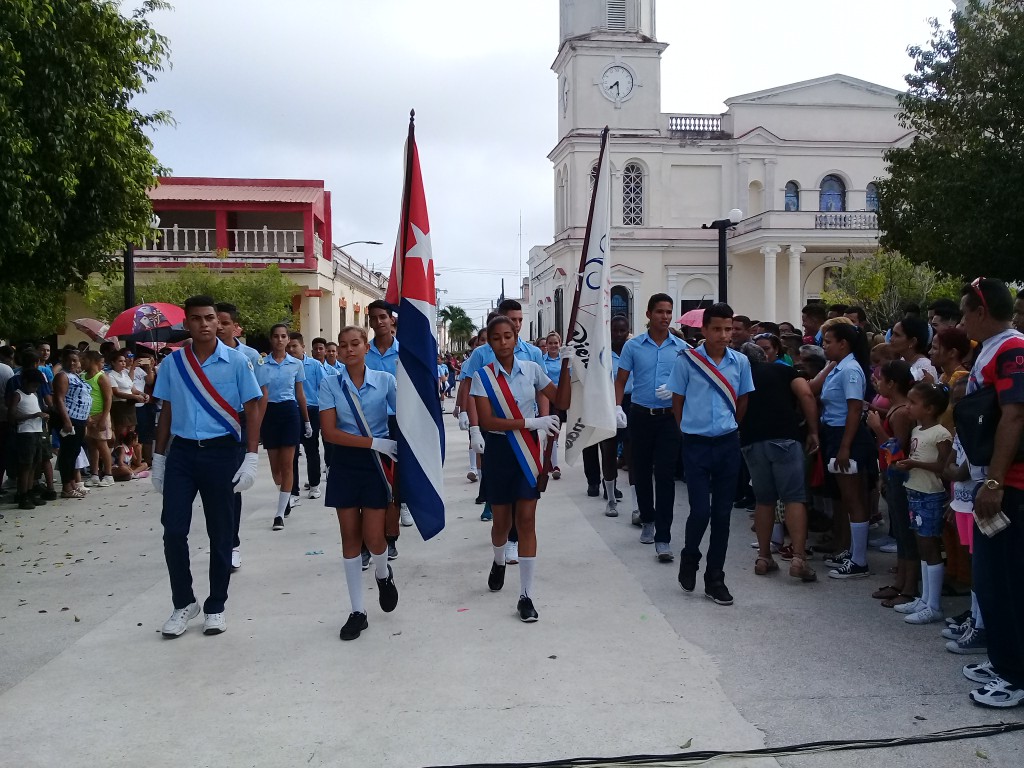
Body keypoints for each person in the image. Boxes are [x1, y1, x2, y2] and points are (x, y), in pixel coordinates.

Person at [151, 295, 262, 638]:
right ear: (187, 323)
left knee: (221, 533)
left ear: (219, 321)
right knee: (173, 530)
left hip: (222, 452)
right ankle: (183, 602)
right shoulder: (173, 364)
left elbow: (253, 407)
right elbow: (166, 412)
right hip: (182, 453)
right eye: (196, 318)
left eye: (210, 317)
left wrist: (252, 456)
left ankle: (216, 605)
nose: (203, 323)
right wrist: (158, 458)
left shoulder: (237, 362)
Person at [471, 315, 571, 623]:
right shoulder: (482, 376)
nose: (502, 342)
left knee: (526, 520)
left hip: (527, 450)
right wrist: (531, 422)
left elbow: (562, 400)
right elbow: (487, 422)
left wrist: (567, 367)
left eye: (508, 336)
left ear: (516, 337)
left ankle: (526, 595)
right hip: (501, 450)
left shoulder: (533, 369)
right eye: (496, 338)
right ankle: (499, 560)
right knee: (501, 522)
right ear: (489, 343)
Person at [956, 277, 1024, 708]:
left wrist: (996, 481)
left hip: (1009, 487)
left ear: (982, 312)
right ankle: (1003, 660)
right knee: (991, 581)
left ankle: (1016, 676)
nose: (961, 322)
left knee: (1010, 582)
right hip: (989, 481)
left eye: (965, 313)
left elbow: (1014, 417)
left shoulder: (1012, 349)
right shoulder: (989, 350)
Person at [668, 303, 754, 603]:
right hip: (695, 444)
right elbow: (677, 400)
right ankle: (690, 555)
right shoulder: (687, 361)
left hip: (727, 443)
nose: (723, 335)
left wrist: (731, 427)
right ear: (704, 330)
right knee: (700, 511)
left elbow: (743, 400)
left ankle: (715, 578)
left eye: (728, 329)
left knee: (722, 514)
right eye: (716, 329)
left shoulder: (740, 362)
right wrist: (686, 430)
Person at [319, 325, 400, 641]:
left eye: (355, 344)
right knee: (350, 537)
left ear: (367, 347)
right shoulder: (330, 384)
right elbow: (331, 432)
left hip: (379, 465)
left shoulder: (385, 380)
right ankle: (357, 611)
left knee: (374, 536)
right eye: (343, 345)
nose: (349, 349)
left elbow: (405, 415)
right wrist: (373, 444)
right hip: (347, 461)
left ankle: (382, 572)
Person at [461, 301, 546, 550]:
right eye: (513, 319)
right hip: (496, 430)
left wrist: (542, 421)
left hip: (525, 433)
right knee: (500, 501)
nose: (518, 325)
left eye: (520, 320)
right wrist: (472, 425)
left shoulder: (533, 354)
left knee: (525, 504)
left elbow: (543, 391)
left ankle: (514, 542)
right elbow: (469, 384)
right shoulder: (483, 353)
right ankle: (500, 532)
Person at [738, 342, 819, 582]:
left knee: (764, 501)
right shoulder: (782, 370)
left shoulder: (739, 376)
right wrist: (813, 430)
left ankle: (764, 557)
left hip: (751, 441)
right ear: (764, 356)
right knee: (794, 498)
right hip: (784, 438)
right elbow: (805, 393)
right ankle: (798, 558)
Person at [615, 294, 689, 553]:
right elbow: (621, 380)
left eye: (669, 312)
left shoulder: (682, 348)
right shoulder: (633, 347)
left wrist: (677, 390)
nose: (665, 317)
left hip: (669, 418)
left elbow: (691, 381)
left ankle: (664, 536)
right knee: (642, 470)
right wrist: (616, 407)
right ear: (648, 314)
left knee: (666, 475)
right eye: (660, 312)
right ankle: (648, 519)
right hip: (640, 414)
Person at [810, 323, 875, 579]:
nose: (824, 345)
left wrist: (845, 447)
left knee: (853, 498)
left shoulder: (850, 370)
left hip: (846, 436)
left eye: (828, 341)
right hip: (834, 433)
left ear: (843, 344)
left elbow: (854, 409)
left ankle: (859, 560)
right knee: (845, 497)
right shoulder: (838, 366)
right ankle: (851, 550)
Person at [892, 383, 953, 624]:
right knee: (921, 545)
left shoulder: (940, 434)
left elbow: (944, 467)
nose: (908, 406)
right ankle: (925, 599)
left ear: (929, 408)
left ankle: (934, 605)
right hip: (915, 493)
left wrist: (914, 464)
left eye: (913, 403)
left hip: (930, 495)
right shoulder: (918, 430)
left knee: (929, 546)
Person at [215, 302, 266, 570]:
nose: (219, 327)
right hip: (209, 425)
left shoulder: (249, 355)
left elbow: (258, 396)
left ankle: (232, 543)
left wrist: (254, 440)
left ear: (235, 326)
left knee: (232, 485)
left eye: (225, 322)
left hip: (239, 422)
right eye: (216, 321)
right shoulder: (196, 356)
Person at [865, 360, 919, 607]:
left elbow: (897, 450)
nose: (877, 383)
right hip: (892, 474)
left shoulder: (902, 413)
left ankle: (908, 587)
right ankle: (900, 582)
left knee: (905, 533)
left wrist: (877, 428)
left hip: (899, 475)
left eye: (880, 379)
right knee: (900, 530)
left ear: (892, 383)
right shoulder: (898, 410)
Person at [366, 299, 413, 544]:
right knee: (376, 467)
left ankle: (402, 503)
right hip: (371, 418)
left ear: (391, 319)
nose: (378, 322)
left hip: (399, 416)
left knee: (399, 464)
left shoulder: (404, 350)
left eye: (382, 317)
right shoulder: (364, 351)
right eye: (373, 318)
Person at [257, 323, 311, 531]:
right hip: (269, 412)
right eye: (276, 336)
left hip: (289, 412)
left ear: (288, 340)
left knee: (288, 464)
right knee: (275, 469)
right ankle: (284, 494)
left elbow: (300, 394)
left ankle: (279, 513)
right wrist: (257, 423)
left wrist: (306, 421)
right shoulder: (262, 364)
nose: (280, 340)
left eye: (283, 336)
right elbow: (261, 394)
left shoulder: (296, 365)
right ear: (271, 339)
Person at [288, 332, 327, 502]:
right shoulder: (286, 365)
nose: (291, 349)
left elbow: (324, 387)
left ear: (303, 347)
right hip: (291, 410)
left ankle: (314, 485)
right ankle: (293, 490)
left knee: (312, 449)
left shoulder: (315, 365)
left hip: (312, 410)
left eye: (294, 346)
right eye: (288, 346)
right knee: (292, 452)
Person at [52, 349, 91, 499]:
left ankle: (73, 483)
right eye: (70, 360)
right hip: (69, 418)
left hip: (80, 418)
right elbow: (59, 399)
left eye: (76, 360)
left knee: (75, 452)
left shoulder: (76, 376)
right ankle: (66, 487)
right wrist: (67, 420)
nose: (73, 363)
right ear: (63, 361)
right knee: (67, 453)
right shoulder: (63, 376)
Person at [11, 369, 48, 510]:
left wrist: (42, 415)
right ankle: (23, 494)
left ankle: (30, 491)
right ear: (25, 382)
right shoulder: (17, 395)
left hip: (37, 431)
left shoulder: (34, 395)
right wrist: (33, 416)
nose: (35, 388)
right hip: (25, 433)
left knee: (34, 464)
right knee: (25, 466)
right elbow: (13, 416)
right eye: (34, 385)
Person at [81, 351, 114, 487]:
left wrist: (103, 418)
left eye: (83, 360)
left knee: (102, 444)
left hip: (101, 415)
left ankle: (108, 474)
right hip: (87, 417)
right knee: (92, 445)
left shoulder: (101, 378)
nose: (81, 363)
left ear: (92, 361)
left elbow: (108, 399)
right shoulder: (82, 376)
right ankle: (94, 473)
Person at [541, 331, 566, 480]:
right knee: (549, 430)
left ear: (560, 344)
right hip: (546, 398)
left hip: (560, 399)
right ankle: (553, 464)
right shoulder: (542, 361)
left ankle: (552, 460)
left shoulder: (564, 360)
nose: (553, 345)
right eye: (550, 343)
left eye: (555, 343)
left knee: (556, 430)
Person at [889, 316, 938, 382]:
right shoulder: (903, 360)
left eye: (897, 335)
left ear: (912, 341)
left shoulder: (924, 369)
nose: (891, 339)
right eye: (892, 334)